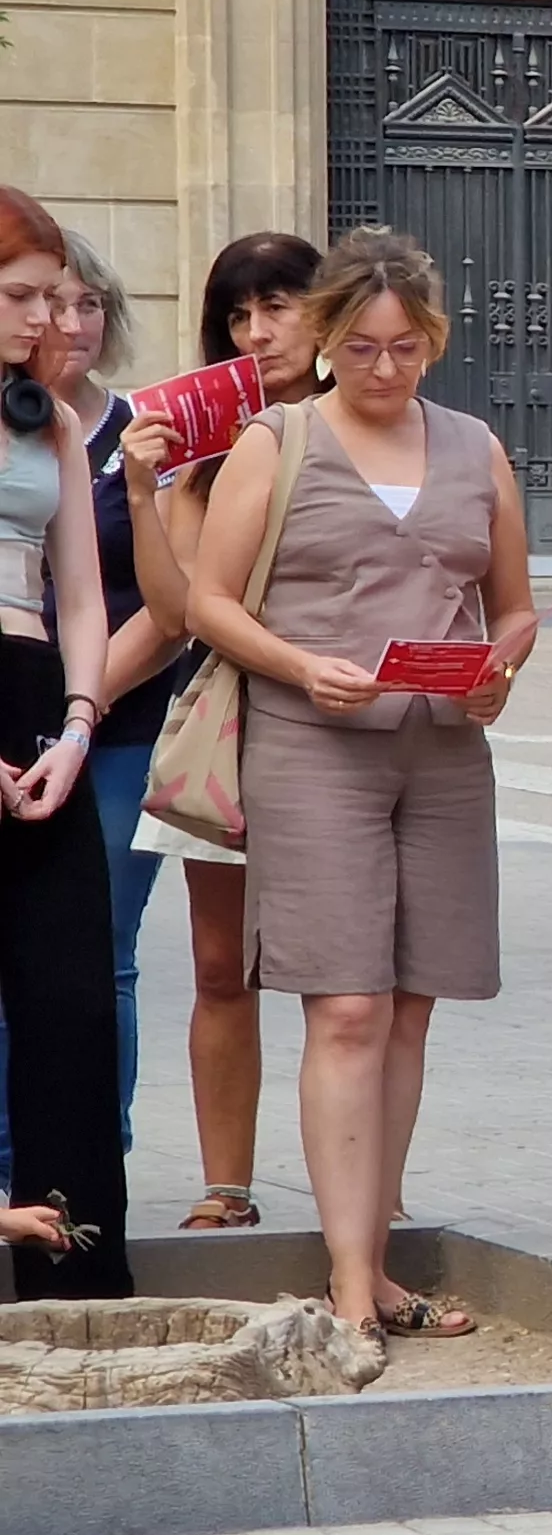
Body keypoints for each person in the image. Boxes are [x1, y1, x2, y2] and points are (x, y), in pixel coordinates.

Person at [180, 227, 528, 1342]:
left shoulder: (475, 444)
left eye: (408, 348)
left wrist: (501, 668)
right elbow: (212, 602)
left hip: (441, 752)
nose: (386, 370)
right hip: (310, 743)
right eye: (365, 347)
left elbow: (514, 601)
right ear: (328, 339)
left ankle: (376, 1256)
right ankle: (344, 1277)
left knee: (411, 1008)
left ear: (434, 340)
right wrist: (298, 664)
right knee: (345, 1006)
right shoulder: (276, 443)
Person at [126, 232, 316, 1232]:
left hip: (340, 724)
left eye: (279, 305)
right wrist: (144, 493)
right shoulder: (203, 460)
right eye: (239, 315)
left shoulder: (368, 426)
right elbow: (177, 612)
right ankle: (226, 1186)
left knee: (350, 974)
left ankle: (362, 1189)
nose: (258, 331)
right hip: (230, 722)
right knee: (218, 964)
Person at [0, 184, 126, 1299]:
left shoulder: (57, 420)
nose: (48, 320)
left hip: (40, 695)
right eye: (24, 295)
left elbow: (80, 595)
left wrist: (80, 727)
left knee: (73, 995)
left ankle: (75, 1278)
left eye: (60, 298)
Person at [50, 234, 174, 1148]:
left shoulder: (144, 431)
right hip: (16, 720)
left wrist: (80, 706)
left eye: (93, 304)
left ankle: (100, 1157)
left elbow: (172, 605)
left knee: (105, 949)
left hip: (124, 728)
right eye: (56, 302)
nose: (75, 322)